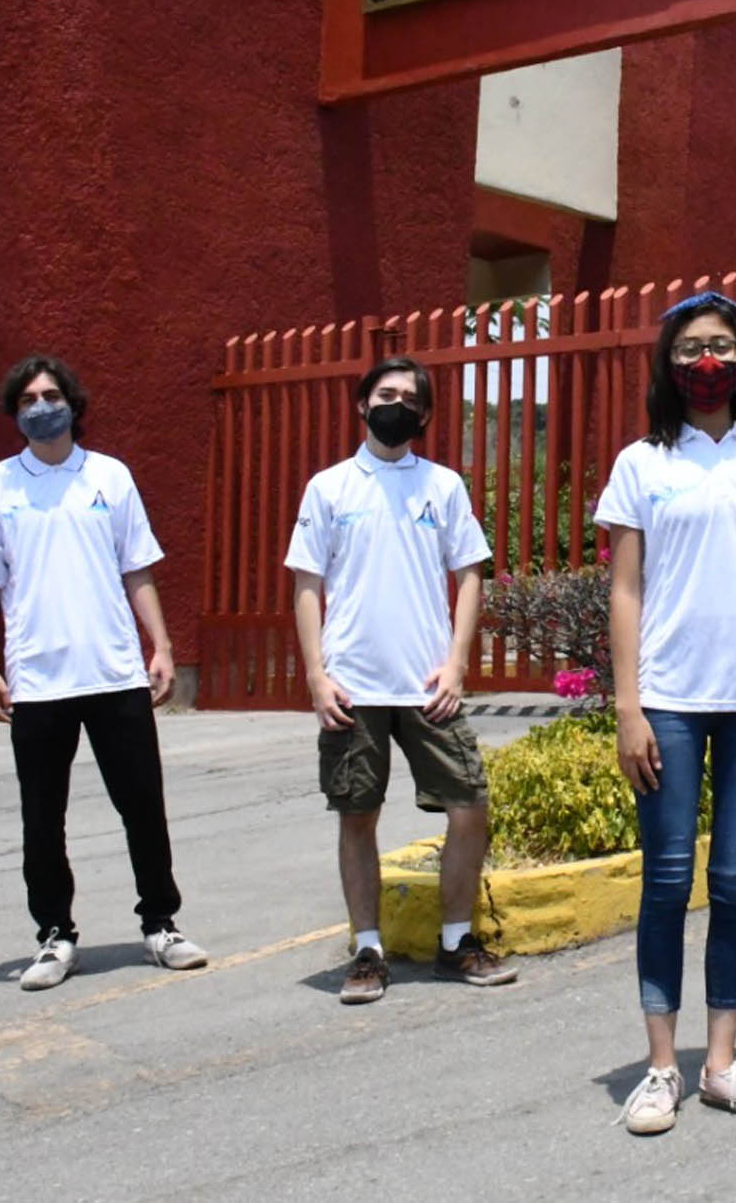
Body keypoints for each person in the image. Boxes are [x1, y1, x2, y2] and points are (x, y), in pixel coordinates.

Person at [598, 291, 736, 1135]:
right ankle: (662, 1069)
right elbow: (624, 589)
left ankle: (721, 1063)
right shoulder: (643, 464)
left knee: (734, 883)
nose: (706, 361)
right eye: (689, 347)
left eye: (721, 346)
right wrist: (629, 706)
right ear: (667, 363)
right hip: (671, 703)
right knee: (665, 881)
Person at [0, 354, 208, 992]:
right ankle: (54, 935)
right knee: (42, 817)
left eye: (50, 395)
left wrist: (160, 645)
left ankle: (161, 923)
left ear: (71, 402)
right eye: (27, 400)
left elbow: (138, 568)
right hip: (38, 681)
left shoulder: (109, 477)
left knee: (142, 807)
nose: (41, 406)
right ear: (15, 414)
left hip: (115, 673)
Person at [286, 355, 516, 1004]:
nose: (396, 404)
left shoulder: (442, 487)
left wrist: (458, 661)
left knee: (470, 806)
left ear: (425, 415)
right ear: (362, 406)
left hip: (427, 684)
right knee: (358, 814)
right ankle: (367, 950)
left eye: (409, 397)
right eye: (384, 393)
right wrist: (315, 674)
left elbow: (471, 571)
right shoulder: (329, 488)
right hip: (352, 686)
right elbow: (307, 584)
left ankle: (455, 942)